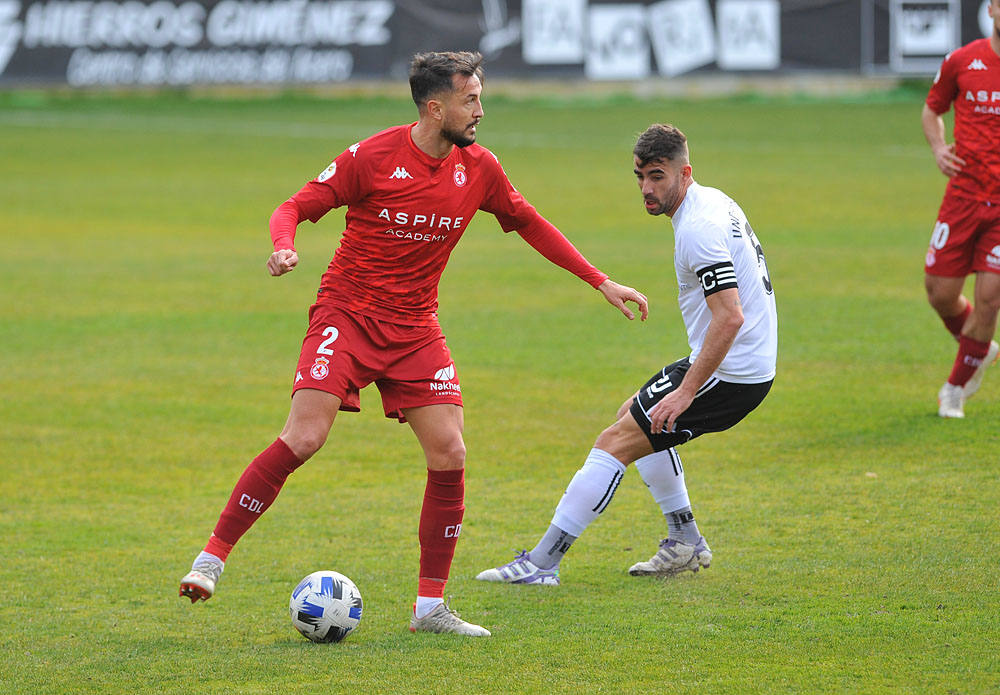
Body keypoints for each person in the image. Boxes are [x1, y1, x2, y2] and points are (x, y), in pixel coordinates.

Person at [178, 51, 648, 636]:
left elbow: (529, 222)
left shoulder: (479, 168)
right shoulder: (371, 157)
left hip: (416, 327)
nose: (480, 109)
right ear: (435, 106)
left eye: (479, 96)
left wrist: (600, 280)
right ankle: (211, 558)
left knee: (450, 454)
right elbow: (294, 206)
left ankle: (430, 608)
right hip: (347, 316)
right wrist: (283, 244)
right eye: (469, 99)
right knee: (304, 437)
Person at [476, 123, 776, 585]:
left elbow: (730, 317)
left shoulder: (698, 229)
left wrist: (687, 392)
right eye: (639, 176)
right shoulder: (713, 201)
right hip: (744, 364)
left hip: (733, 372)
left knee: (615, 442)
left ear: (684, 172)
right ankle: (685, 540)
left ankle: (541, 563)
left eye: (657, 176)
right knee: (634, 418)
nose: (646, 188)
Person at [922, 0, 1000, 419]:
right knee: (940, 293)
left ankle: (954, 388)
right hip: (963, 198)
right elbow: (933, 108)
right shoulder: (963, 61)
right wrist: (938, 148)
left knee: (990, 299)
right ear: (992, 9)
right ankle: (981, 350)